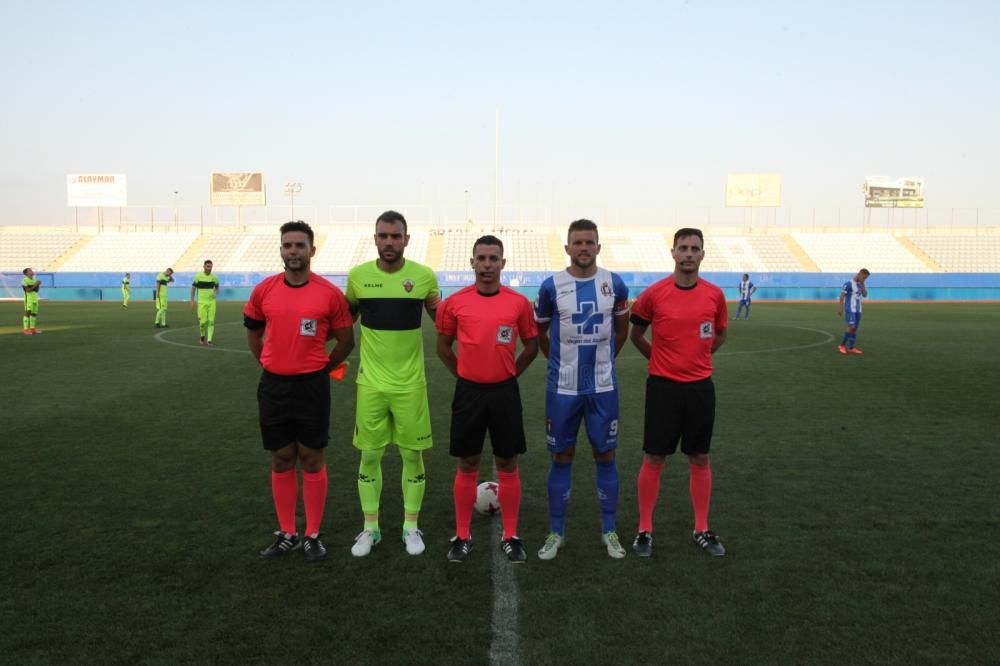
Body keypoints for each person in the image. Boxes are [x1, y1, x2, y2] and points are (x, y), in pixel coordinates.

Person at [244, 221, 355, 561]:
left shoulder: (329, 294)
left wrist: (323, 365)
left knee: (311, 457)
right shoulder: (265, 290)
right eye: (288, 245)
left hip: (312, 387)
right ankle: (287, 532)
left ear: (311, 251)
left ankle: (312, 534)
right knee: (281, 457)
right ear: (281, 250)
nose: (293, 251)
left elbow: (346, 340)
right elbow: (253, 331)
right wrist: (268, 361)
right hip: (275, 385)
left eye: (299, 245)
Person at [436, 235, 539, 563]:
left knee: (508, 462)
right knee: (468, 462)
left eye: (493, 258)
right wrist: (465, 375)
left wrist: (509, 374)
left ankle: (511, 535)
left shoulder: (519, 303)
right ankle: (462, 536)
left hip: (505, 392)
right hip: (469, 393)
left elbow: (532, 346)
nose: (487, 264)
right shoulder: (454, 303)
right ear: (472, 263)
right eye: (481, 258)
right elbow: (443, 347)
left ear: (503, 264)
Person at [345, 211, 441, 557]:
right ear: (375, 239)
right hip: (370, 384)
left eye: (395, 236)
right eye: (383, 236)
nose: (389, 242)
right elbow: (344, 321)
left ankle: (410, 527)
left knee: (411, 456)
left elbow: (443, 321)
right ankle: (370, 528)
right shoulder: (357, 277)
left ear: (406, 239)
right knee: (370, 455)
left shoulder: (424, 277)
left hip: (410, 386)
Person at [533, 219, 630, 560]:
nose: (584, 248)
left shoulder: (614, 284)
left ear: (598, 247)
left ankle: (610, 530)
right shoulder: (550, 287)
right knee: (562, 455)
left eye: (590, 242)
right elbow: (541, 334)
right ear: (568, 248)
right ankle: (556, 532)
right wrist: (561, 364)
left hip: (603, 386)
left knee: (606, 454)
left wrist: (603, 363)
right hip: (563, 388)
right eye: (578, 242)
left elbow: (622, 331)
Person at [629, 227, 729, 558]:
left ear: (702, 254)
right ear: (673, 253)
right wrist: (660, 360)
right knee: (655, 456)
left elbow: (720, 334)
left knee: (699, 456)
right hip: (663, 388)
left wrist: (699, 358)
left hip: (700, 388)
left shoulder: (714, 295)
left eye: (694, 248)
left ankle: (701, 528)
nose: (688, 253)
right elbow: (637, 335)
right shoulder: (653, 294)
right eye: (682, 248)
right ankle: (645, 529)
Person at [838, 269, 870, 355]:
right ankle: (842, 345)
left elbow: (865, 295)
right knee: (851, 327)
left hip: (858, 310)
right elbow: (842, 296)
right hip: (850, 309)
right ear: (859, 274)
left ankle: (851, 348)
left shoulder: (860, 284)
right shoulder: (848, 284)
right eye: (864, 277)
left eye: (866, 278)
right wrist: (840, 308)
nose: (864, 279)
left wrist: (863, 284)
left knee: (855, 329)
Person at [190, 260, 220, 346]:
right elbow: (193, 288)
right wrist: (192, 300)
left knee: (211, 321)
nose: (209, 268)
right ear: (203, 267)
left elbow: (218, 288)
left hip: (212, 303)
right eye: (207, 266)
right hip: (201, 303)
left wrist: (215, 293)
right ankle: (202, 336)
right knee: (202, 322)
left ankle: (209, 340)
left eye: (210, 267)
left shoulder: (214, 278)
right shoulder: (198, 277)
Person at [21, 268, 41, 335]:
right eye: (30, 270)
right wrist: (36, 284)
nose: (32, 271)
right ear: (26, 273)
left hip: (35, 298)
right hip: (28, 299)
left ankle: (32, 329)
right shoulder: (24, 280)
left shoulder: (34, 280)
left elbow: (36, 290)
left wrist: (38, 284)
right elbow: (28, 290)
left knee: (34, 314)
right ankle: (25, 330)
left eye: (31, 270)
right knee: (28, 313)